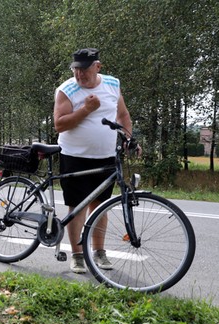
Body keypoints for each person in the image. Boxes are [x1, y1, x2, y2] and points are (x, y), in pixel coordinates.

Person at [53, 48, 132, 274]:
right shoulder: (66, 90)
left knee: (100, 206)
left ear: (98, 66)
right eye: (76, 69)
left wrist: (128, 138)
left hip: (105, 157)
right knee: (77, 208)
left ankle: (99, 252)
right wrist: (86, 110)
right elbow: (60, 124)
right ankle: (77, 255)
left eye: (84, 69)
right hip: (74, 156)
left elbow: (123, 115)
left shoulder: (112, 85)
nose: (79, 75)